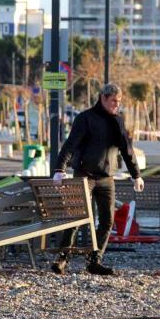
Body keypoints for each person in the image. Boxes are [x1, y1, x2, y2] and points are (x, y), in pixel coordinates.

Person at [52, 83, 144, 276]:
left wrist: (136, 174)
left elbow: (127, 150)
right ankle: (62, 258)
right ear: (103, 98)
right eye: (113, 101)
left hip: (107, 177)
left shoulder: (117, 121)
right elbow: (70, 145)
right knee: (76, 218)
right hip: (85, 174)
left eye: (119, 102)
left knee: (107, 221)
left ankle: (95, 261)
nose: (116, 105)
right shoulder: (85, 119)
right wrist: (60, 169)